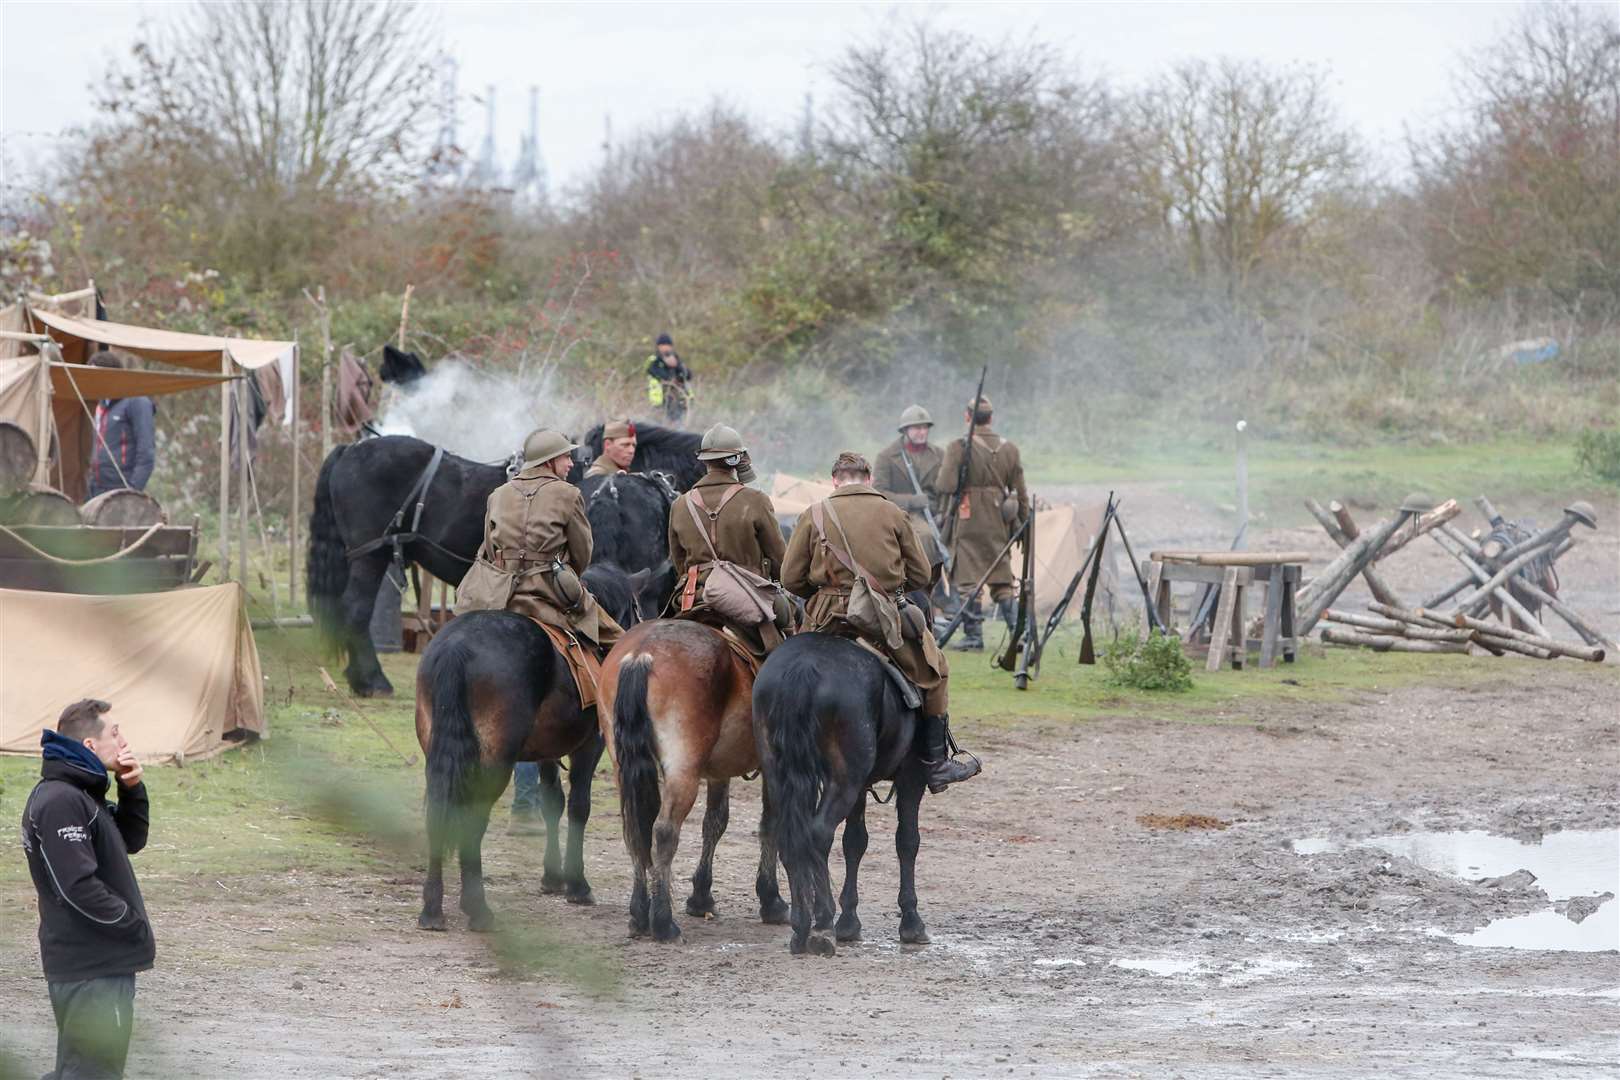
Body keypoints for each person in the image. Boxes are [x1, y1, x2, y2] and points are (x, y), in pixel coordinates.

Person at [781, 452, 980, 792]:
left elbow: (790, 577)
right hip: (881, 615)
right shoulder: (892, 512)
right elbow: (919, 573)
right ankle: (936, 763)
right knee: (936, 670)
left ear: (834, 480)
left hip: (825, 616)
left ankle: (777, 754)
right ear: (868, 478)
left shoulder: (813, 513)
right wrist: (890, 584)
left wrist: (822, 591)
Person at [22, 698, 153, 1080]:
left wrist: (131, 789)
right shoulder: (62, 800)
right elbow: (77, 885)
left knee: (81, 1071)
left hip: (93, 965)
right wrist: (130, 925)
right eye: (115, 733)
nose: (124, 740)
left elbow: (129, 838)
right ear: (91, 747)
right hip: (92, 966)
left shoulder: (81, 795)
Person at [477, 428, 623, 655]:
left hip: (502, 591)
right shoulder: (569, 494)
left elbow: (489, 547)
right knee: (619, 640)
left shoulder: (498, 494)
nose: (571, 464)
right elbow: (582, 552)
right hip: (550, 589)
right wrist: (569, 577)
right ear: (549, 461)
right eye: (566, 457)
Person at [666, 424, 788, 657]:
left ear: (705, 461)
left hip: (695, 596)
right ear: (737, 460)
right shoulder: (755, 500)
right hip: (747, 593)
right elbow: (779, 558)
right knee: (787, 626)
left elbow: (678, 561)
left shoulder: (680, 504)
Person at [938, 396, 1028, 651]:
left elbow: (945, 485)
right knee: (1001, 580)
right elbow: (1020, 492)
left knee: (967, 581)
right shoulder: (1010, 449)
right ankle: (1016, 634)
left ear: (967, 417)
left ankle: (974, 637)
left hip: (968, 520)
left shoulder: (958, 446)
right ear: (991, 418)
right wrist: (1023, 523)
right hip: (999, 521)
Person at [872, 404, 948, 567]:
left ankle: (961, 587)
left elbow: (947, 489)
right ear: (905, 430)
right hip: (903, 514)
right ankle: (923, 585)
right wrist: (913, 501)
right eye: (916, 428)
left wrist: (944, 512)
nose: (922, 432)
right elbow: (879, 493)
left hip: (936, 513)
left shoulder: (940, 455)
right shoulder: (887, 457)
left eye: (925, 428)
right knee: (926, 537)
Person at [85, 350, 156, 499]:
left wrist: (133, 491)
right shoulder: (101, 405)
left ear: (112, 376)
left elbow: (146, 453)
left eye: (97, 376)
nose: (92, 381)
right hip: (97, 488)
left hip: (122, 487)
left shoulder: (136, 402)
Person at [645, 333, 692, 425]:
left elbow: (688, 375)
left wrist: (677, 365)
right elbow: (654, 372)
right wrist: (665, 363)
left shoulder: (676, 360)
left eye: (667, 345)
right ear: (658, 347)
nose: (665, 348)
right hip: (659, 402)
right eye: (662, 345)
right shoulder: (653, 360)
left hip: (678, 400)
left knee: (678, 427)